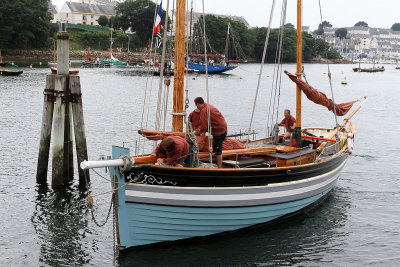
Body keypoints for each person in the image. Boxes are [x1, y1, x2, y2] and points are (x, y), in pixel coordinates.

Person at [194, 97, 227, 168]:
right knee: (216, 147)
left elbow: (203, 126)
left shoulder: (204, 111)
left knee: (218, 151)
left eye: (196, 106)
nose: (197, 108)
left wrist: (197, 132)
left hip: (219, 132)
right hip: (223, 128)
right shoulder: (209, 106)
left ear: (197, 104)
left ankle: (220, 168)